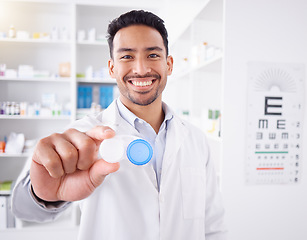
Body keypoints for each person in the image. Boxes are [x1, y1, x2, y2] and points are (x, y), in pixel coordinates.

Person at [12, 10, 227, 240]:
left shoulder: (195, 139)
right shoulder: (85, 135)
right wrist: (43, 194)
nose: (141, 69)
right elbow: (23, 209)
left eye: (153, 55)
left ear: (169, 65)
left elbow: (213, 225)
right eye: (127, 57)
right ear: (112, 67)